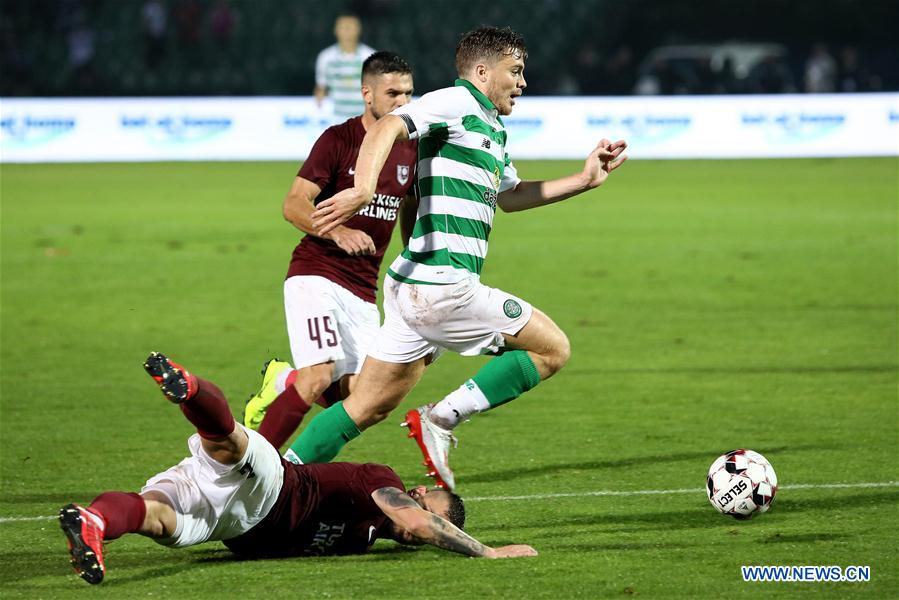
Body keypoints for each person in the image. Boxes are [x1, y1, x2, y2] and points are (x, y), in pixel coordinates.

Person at [281, 26, 628, 489]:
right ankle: (440, 419)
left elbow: (512, 196)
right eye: (516, 71)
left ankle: (275, 480)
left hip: (413, 286)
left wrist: (584, 179)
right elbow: (388, 124)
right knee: (552, 348)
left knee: (364, 405)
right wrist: (362, 189)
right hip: (442, 284)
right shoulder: (455, 102)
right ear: (483, 71)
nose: (523, 83)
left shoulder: (492, 127)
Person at [59, 352, 536, 585]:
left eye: (432, 529)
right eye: (431, 513)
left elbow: (413, 526)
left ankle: (95, 521)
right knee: (228, 443)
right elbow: (412, 519)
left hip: (232, 524)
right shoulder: (382, 484)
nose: (420, 530)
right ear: (416, 493)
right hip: (273, 487)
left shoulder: (369, 541)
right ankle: (191, 389)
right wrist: (488, 554)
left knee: (156, 519)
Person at [243, 51, 418, 450]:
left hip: (363, 288)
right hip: (316, 274)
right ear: (366, 94)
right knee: (318, 377)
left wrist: (413, 261)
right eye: (393, 93)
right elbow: (294, 203)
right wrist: (336, 231)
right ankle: (252, 470)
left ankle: (282, 381)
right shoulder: (339, 139)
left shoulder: (411, 147)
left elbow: (409, 208)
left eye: (409, 93)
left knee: (367, 400)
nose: (402, 103)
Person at [315, 14, 376, 121]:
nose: (347, 31)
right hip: (336, 120)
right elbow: (321, 88)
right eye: (343, 27)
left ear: (359, 30)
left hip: (365, 120)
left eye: (351, 27)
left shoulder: (370, 57)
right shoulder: (326, 57)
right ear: (335, 30)